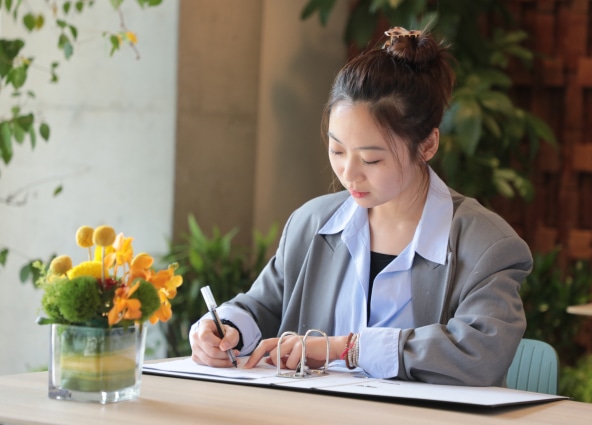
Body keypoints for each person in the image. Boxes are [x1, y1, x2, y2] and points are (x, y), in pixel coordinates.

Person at [189, 27, 532, 386]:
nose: (349, 174)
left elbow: (481, 352)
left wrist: (347, 349)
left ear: (428, 145)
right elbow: (263, 305)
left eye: (371, 159)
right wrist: (225, 329)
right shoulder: (312, 223)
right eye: (337, 151)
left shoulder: (487, 245)